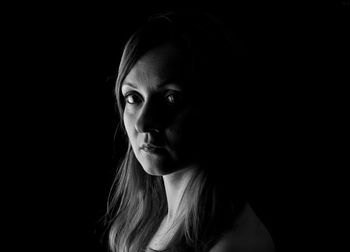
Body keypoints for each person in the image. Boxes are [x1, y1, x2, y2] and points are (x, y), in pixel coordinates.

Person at [105, 10, 275, 252]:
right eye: (133, 98)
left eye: (171, 98)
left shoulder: (234, 245)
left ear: (215, 104)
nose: (142, 123)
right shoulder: (145, 224)